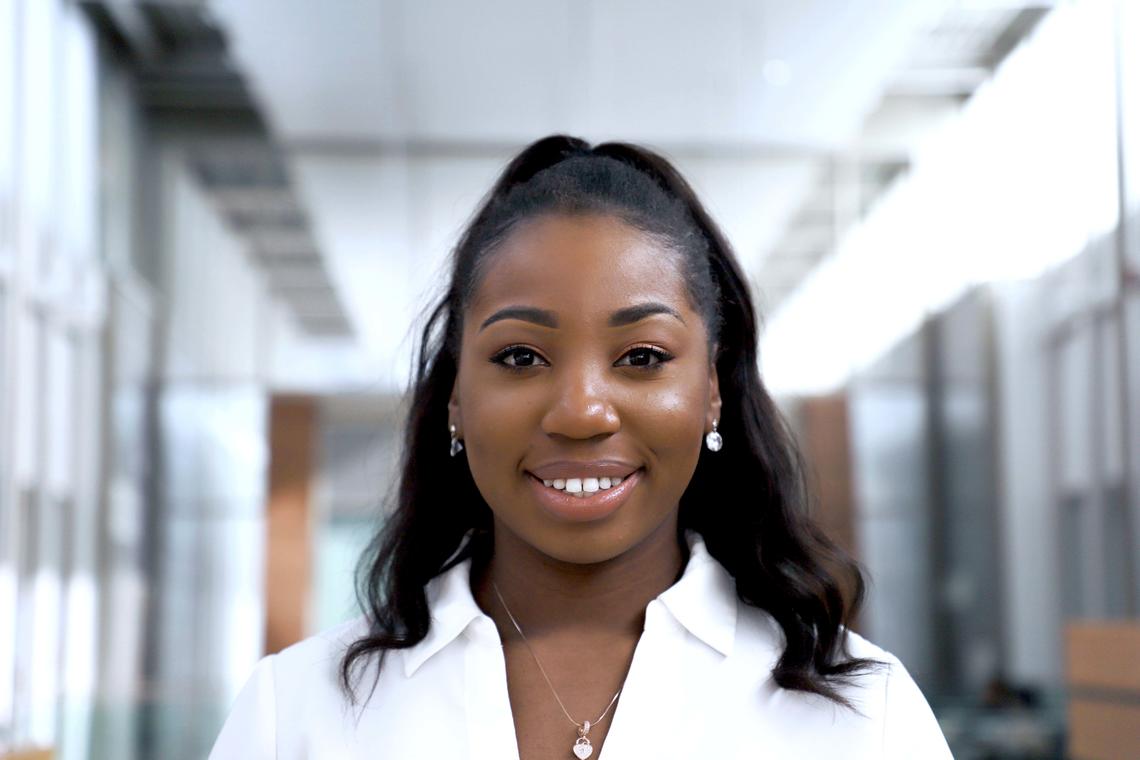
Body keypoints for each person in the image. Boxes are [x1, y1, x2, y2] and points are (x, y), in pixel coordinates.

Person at [210, 135, 952, 759]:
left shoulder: (863, 719)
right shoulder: (297, 715)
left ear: (713, 393)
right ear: (456, 399)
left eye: (642, 357)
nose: (582, 412)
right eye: (521, 358)